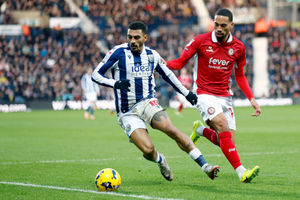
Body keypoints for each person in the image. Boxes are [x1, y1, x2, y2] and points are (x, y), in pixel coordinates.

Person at [92, 21, 220, 181]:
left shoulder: (152, 55)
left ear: (145, 38)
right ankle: (160, 159)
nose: (132, 41)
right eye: (129, 37)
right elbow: (96, 74)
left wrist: (187, 93)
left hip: (147, 102)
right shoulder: (117, 53)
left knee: (170, 129)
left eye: (136, 37)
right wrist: (115, 83)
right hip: (127, 112)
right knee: (148, 150)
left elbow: (169, 75)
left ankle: (205, 166)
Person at [167, 8, 261, 183]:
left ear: (231, 25)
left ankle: (200, 130)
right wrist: (162, 63)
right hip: (204, 94)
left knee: (226, 141)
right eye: (216, 24)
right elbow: (179, 63)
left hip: (225, 97)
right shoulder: (200, 41)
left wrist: (252, 99)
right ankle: (242, 172)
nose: (218, 28)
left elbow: (239, 75)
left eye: (223, 25)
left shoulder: (239, 47)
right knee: (222, 125)